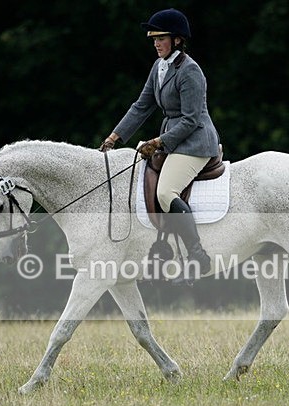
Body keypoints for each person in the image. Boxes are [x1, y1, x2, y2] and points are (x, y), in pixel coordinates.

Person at [100, 8, 220, 275]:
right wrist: (115, 136)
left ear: (177, 39)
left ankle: (197, 254)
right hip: (173, 139)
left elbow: (190, 120)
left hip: (195, 141)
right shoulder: (159, 67)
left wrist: (158, 141)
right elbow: (142, 105)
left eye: (161, 38)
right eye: (153, 39)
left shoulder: (190, 71)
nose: (155, 43)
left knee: (166, 192)